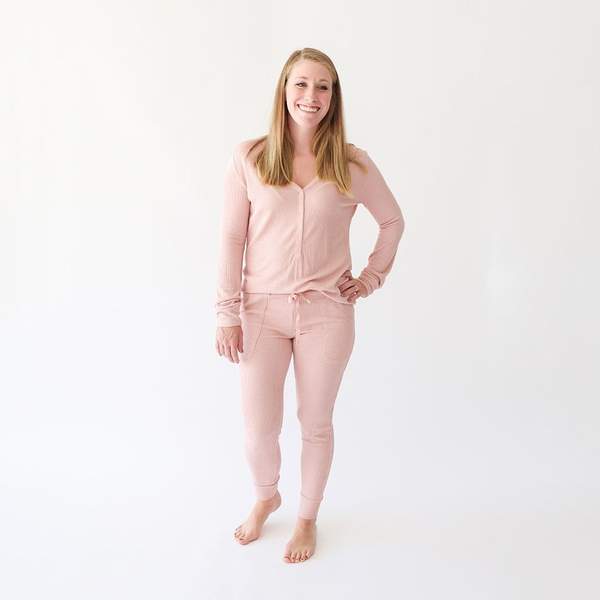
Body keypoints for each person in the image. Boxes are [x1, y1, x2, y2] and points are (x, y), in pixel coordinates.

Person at [214, 47, 405, 563]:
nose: (311, 96)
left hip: (327, 313)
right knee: (259, 427)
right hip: (260, 311)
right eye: (301, 84)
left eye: (323, 86)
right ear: (284, 89)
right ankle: (266, 496)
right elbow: (232, 238)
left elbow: (392, 221)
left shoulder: (352, 163)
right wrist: (226, 312)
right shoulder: (250, 157)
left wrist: (369, 279)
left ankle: (306, 518)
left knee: (315, 422)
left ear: (333, 97)